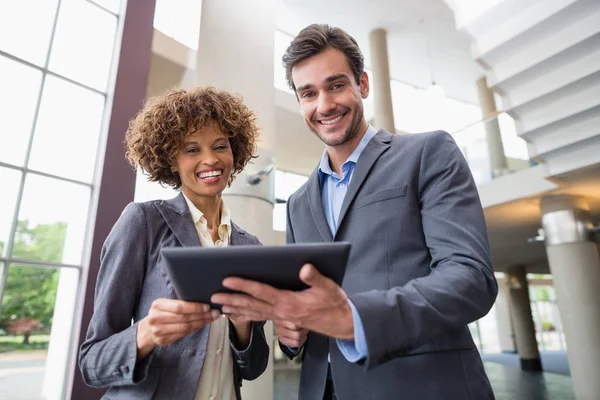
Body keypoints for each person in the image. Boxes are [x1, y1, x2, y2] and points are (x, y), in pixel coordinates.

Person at [211, 24, 498, 399]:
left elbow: (471, 277)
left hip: (422, 385)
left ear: (362, 84)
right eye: (308, 93)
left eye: (335, 85)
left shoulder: (428, 153)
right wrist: (290, 332)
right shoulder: (298, 202)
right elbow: (303, 311)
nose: (324, 105)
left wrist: (354, 318)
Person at [79, 87, 269, 400]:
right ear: (171, 159)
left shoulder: (250, 246)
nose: (210, 159)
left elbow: (253, 368)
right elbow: (92, 362)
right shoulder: (143, 222)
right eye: (192, 149)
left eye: (220, 146)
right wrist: (146, 334)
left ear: (234, 152)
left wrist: (245, 327)